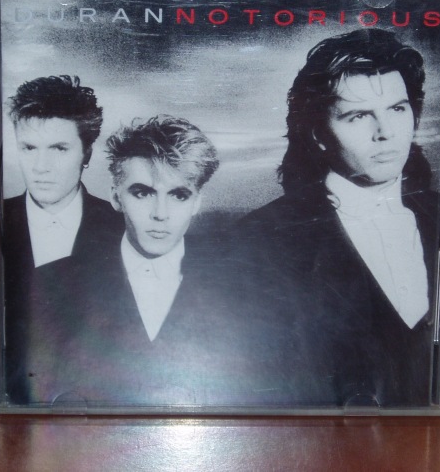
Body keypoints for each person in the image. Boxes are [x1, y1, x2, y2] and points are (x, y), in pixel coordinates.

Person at [237, 29, 440, 407]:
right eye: (359, 116)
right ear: (318, 133)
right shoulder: (261, 238)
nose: (386, 133)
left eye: (397, 109)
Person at [23, 115, 265, 407]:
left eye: (178, 195)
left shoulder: (244, 291)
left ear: (197, 202)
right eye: (143, 193)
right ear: (116, 197)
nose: (160, 213)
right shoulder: (51, 284)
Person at [2, 75, 121, 404]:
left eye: (59, 148)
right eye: (29, 148)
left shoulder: (125, 230)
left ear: (87, 153)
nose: (41, 167)